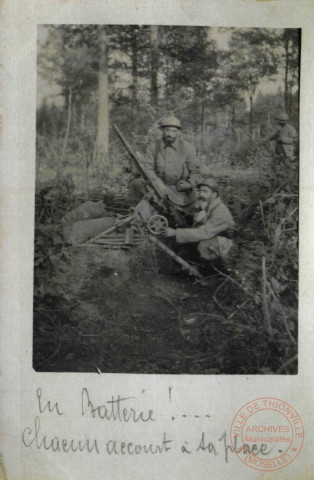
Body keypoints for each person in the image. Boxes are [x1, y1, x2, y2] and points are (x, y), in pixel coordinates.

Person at [128, 115, 202, 212]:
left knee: (193, 210)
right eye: (167, 130)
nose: (170, 134)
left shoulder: (187, 148)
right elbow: (148, 169)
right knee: (135, 184)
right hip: (158, 188)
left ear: (178, 132)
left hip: (179, 191)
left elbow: (195, 171)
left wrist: (189, 184)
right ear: (162, 130)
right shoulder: (153, 148)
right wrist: (158, 183)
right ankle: (135, 213)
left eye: (173, 131)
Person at [162, 177, 237, 267]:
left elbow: (203, 232)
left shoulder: (220, 211)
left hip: (228, 248)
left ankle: (216, 272)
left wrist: (175, 233)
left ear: (214, 194)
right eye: (200, 191)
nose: (201, 194)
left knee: (204, 245)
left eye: (205, 191)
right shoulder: (208, 207)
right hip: (217, 241)